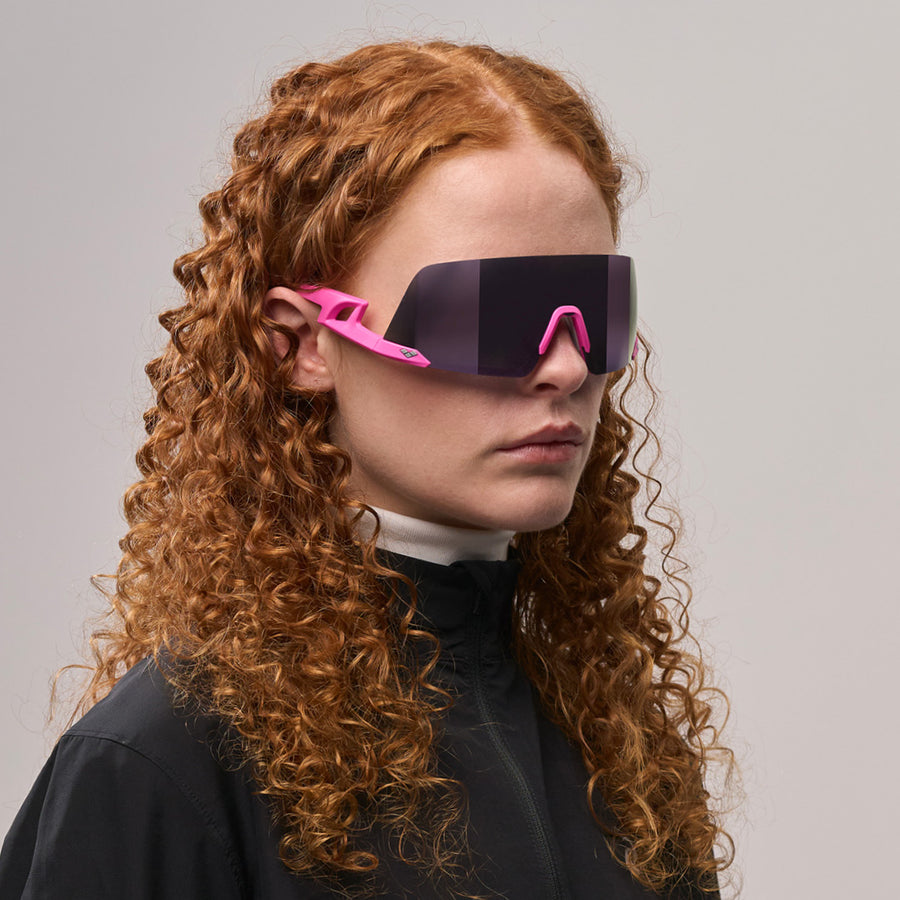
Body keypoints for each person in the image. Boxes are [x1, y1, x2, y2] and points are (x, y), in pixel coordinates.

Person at [0, 39, 734, 899]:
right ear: (303, 343)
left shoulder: (615, 745)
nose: (567, 368)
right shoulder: (161, 766)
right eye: (492, 313)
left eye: (595, 312)